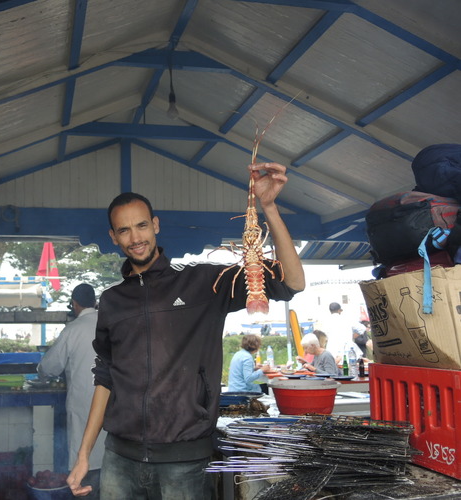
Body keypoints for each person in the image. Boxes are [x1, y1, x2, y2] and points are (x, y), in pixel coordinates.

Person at [67, 161, 305, 499]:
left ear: (156, 226)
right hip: (120, 459)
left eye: (142, 225)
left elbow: (292, 282)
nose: (135, 238)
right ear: (113, 237)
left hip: (184, 461)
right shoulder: (112, 301)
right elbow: (104, 378)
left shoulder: (201, 282)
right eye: (124, 230)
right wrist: (82, 455)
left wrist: (268, 208)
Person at [38, 283, 107, 499]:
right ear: (95, 302)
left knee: (85, 473)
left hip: (83, 411)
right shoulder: (109, 326)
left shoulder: (73, 329)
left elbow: (49, 367)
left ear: (74, 304)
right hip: (113, 413)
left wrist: (40, 372)